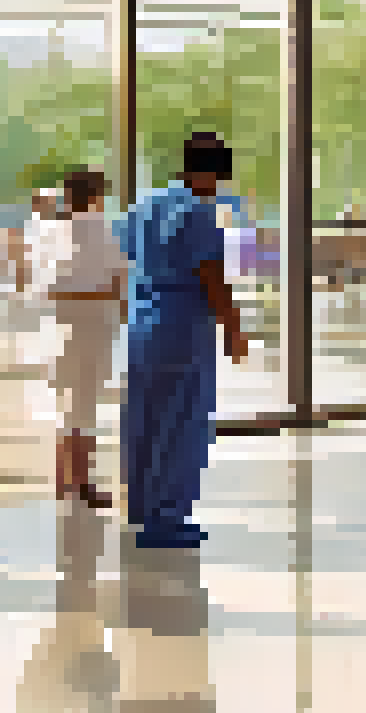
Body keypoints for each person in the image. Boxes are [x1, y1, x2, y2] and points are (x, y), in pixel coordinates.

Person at [118, 134, 251, 548]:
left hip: (143, 324)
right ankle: (167, 517)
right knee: (180, 421)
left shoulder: (143, 206)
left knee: (144, 417)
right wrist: (234, 328)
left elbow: (125, 258)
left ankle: (139, 507)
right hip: (182, 326)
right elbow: (211, 278)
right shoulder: (198, 213)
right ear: (211, 173)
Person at [32, 170, 126, 508]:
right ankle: (82, 482)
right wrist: (102, 297)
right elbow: (119, 285)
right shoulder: (105, 231)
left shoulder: (49, 233)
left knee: (65, 405)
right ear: (97, 197)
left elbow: (42, 288)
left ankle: (63, 479)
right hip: (94, 327)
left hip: (57, 328)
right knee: (84, 406)